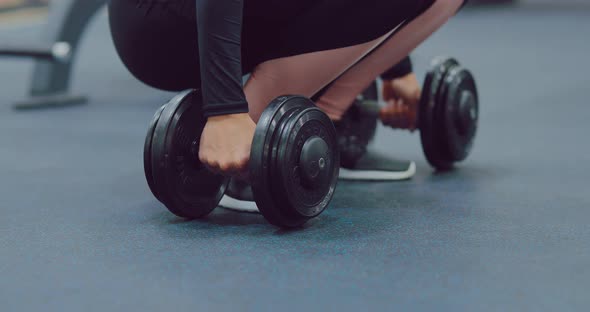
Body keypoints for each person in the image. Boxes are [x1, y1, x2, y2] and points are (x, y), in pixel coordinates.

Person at [108, 0, 465, 209]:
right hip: (160, 17)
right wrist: (225, 109)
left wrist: (394, 67)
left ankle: (325, 116)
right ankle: (252, 139)